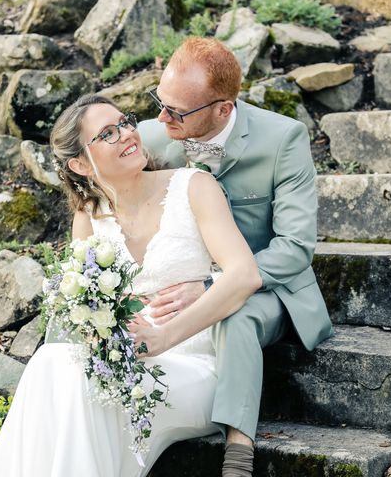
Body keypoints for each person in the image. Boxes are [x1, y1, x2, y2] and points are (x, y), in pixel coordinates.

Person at [0, 93, 263, 477]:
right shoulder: (89, 218)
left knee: (78, 385)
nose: (128, 134)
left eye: (126, 122)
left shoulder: (193, 187)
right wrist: (104, 332)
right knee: (50, 363)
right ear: (80, 163)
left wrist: (164, 338)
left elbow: (245, 274)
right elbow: (80, 315)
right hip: (123, 367)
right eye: (109, 133)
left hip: (195, 366)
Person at [136, 36, 334, 475]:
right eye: (160, 101)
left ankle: (238, 457)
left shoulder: (283, 139)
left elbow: (295, 248)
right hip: (176, 280)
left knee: (233, 315)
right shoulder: (153, 137)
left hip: (267, 286)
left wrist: (211, 287)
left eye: (177, 111)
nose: (161, 117)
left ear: (223, 109)